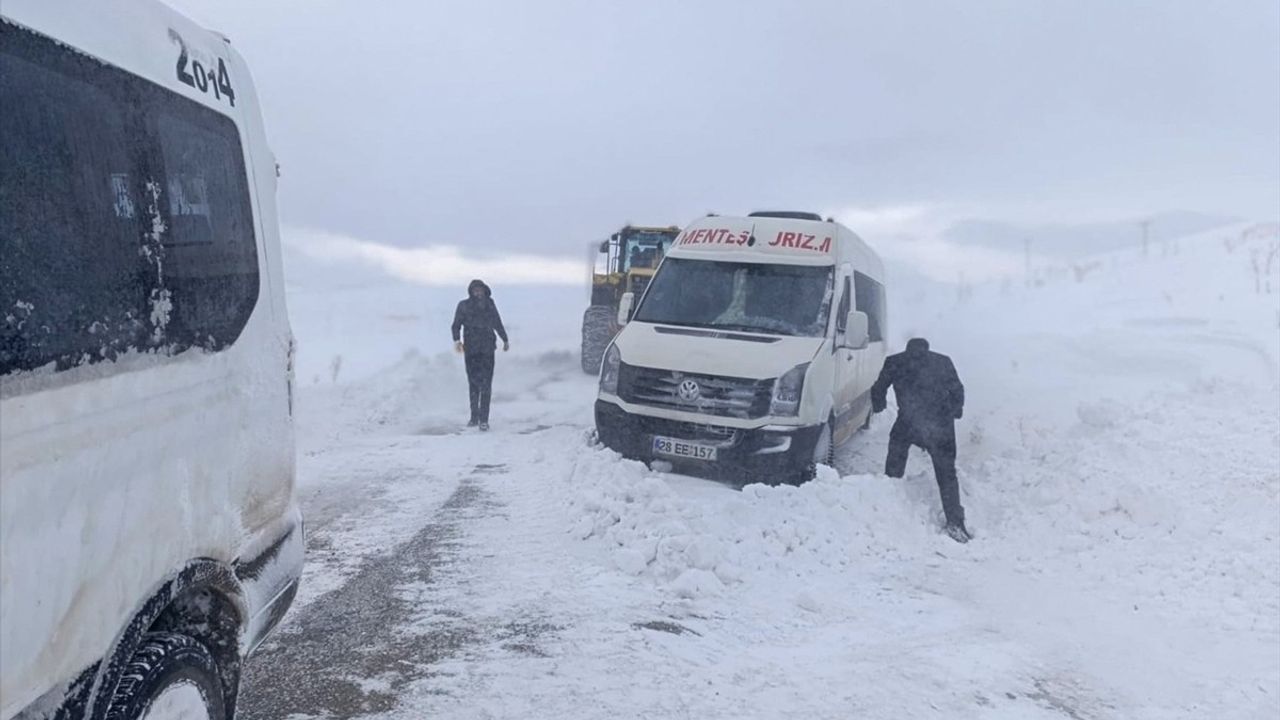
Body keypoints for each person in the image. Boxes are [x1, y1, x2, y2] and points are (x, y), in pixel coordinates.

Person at [871, 338, 971, 543]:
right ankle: (955, 522)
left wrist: (879, 404)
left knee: (896, 456)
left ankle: (889, 500)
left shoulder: (895, 361)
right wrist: (955, 411)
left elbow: (878, 388)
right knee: (947, 473)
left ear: (908, 349)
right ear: (928, 349)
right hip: (940, 425)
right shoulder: (942, 362)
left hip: (908, 422)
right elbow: (957, 390)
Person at [451, 279, 509, 431]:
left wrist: (505, 339)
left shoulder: (489, 304)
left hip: (487, 349)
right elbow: (456, 324)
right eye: (475, 290)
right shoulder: (463, 306)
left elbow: (497, 322)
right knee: (473, 384)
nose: (477, 293)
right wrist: (457, 340)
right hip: (470, 350)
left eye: (480, 290)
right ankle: (474, 417)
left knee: (486, 385)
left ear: (484, 291)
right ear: (470, 292)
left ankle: (484, 419)